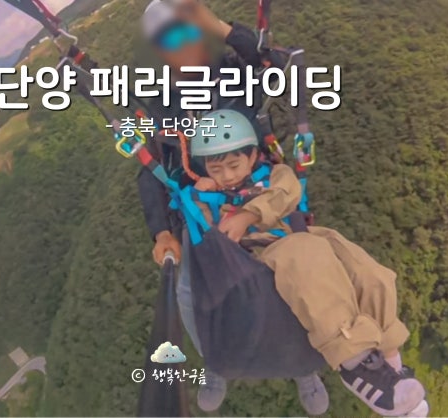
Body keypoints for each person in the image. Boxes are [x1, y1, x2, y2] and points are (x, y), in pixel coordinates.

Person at [137, 0, 329, 414]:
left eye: (189, 34)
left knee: (292, 273)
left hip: (259, 190)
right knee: (190, 292)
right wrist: (162, 231)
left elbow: (279, 63)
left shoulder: (235, 72)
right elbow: (150, 168)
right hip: (204, 206)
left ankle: (306, 365)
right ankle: (218, 361)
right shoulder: (161, 104)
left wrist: (218, 25)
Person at [187, 109, 428, 417]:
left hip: (299, 234)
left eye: (234, 165)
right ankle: (354, 361)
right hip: (262, 252)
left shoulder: (274, 175)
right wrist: (200, 198)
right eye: (216, 169)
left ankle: (391, 363)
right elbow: (204, 233)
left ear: (253, 156)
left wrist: (249, 213)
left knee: (368, 273)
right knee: (306, 254)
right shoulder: (210, 196)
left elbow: (287, 192)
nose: (227, 176)